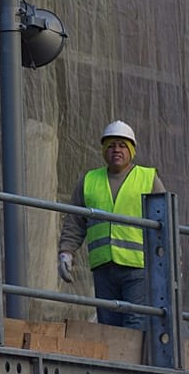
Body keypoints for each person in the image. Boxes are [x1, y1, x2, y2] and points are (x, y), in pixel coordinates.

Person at [57, 120, 164, 329]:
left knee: (136, 321)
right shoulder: (89, 181)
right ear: (104, 150)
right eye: (111, 145)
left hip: (137, 266)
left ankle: (133, 363)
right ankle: (117, 361)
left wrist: (170, 258)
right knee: (109, 324)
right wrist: (66, 252)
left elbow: (164, 220)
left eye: (123, 145)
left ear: (131, 150)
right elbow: (75, 221)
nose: (116, 150)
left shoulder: (148, 178)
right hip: (103, 267)